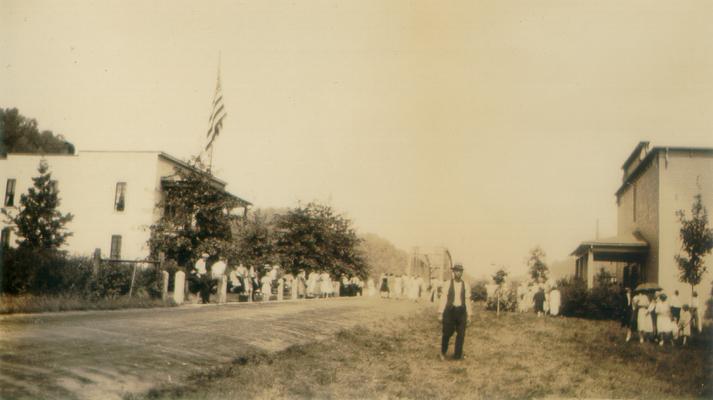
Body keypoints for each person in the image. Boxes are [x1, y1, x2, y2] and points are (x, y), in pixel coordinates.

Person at [438, 263, 473, 361]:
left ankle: (457, 355)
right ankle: (443, 352)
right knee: (447, 333)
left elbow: (467, 300)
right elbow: (443, 298)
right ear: (453, 272)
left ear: (462, 272)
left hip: (461, 312)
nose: (458, 273)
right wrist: (440, 313)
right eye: (456, 270)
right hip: (450, 311)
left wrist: (469, 315)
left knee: (461, 333)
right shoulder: (448, 283)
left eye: (460, 271)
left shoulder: (465, 285)